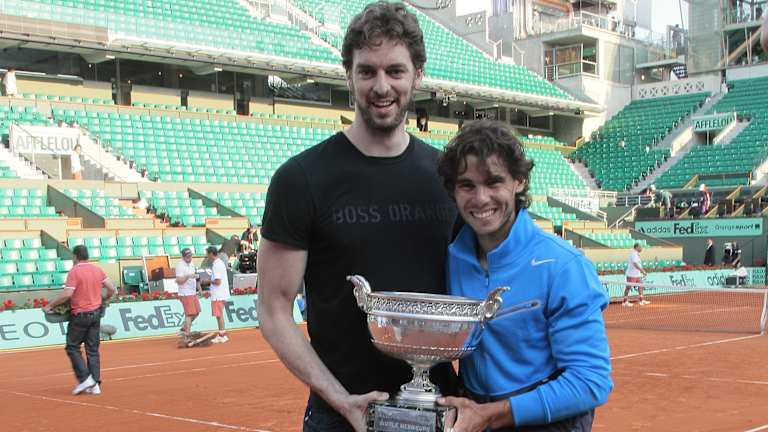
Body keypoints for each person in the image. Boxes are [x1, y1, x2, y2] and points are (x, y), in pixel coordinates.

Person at [256, 3, 459, 431]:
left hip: (437, 410)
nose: (381, 86)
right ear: (348, 74)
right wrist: (341, 399)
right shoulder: (300, 179)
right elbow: (274, 308)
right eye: (367, 71)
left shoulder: (449, 177)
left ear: (417, 75)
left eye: (395, 71)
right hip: (338, 416)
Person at [435, 120, 612, 431]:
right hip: (477, 416)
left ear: (518, 181)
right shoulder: (450, 260)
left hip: (549, 421)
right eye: (467, 185)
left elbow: (590, 381)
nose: (480, 198)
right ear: (453, 190)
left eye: (493, 182)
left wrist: (492, 414)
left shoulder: (563, 265)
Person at [43, 245, 116, 396]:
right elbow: (111, 288)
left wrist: (50, 305)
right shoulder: (97, 270)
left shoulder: (75, 271)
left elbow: (67, 294)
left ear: (75, 256)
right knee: (92, 349)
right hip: (96, 314)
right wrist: (106, 298)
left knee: (72, 347)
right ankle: (95, 384)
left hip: (80, 314)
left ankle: (85, 378)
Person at [206, 245, 230, 343]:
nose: (207, 256)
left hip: (218, 294)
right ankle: (222, 334)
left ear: (211, 254)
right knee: (219, 315)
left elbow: (218, 282)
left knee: (219, 315)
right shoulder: (219, 263)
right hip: (220, 293)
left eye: (207, 254)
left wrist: (207, 281)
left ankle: (222, 336)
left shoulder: (216, 264)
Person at [175, 248, 201, 335]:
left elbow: (197, 277)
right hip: (185, 293)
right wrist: (188, 276)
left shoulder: (192, 264)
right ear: (183, 257)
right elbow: (178, 280)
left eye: (190, 256)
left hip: (192, 292)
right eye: (187, 257)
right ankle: (187, 334)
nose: (189, 258)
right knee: (189, 314)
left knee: (197, 312)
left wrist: (199, 288)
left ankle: (184, 327)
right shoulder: (180, 266)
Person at [622, 242, 648, 307]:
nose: (641, 248)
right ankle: (625, 302)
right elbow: (635, 264)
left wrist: (641, 271)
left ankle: (641, 300)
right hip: (631, 274)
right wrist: (642, 271)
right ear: (636, 247)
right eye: (640, 247)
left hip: (637, 274)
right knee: (628, 287)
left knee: (640, 286)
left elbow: (638, 263)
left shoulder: (637, 254)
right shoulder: (633, 254)